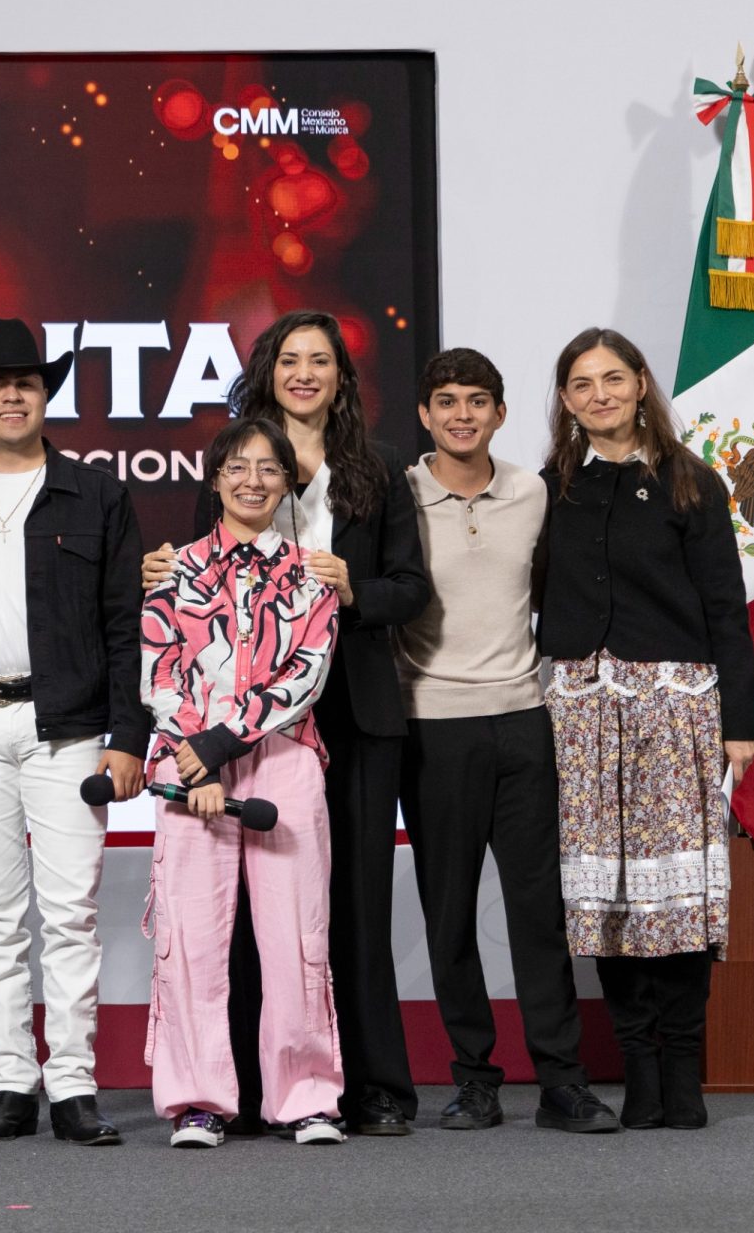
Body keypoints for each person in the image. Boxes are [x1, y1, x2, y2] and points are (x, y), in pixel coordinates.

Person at [145, 309, 428, 1135]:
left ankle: (367, 1088)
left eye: (321, 361)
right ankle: (225, 1091)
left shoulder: (378, 467)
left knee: (341, 908)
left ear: (342, 376)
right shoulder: (235, 462)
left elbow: (411, 589)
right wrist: (165, 573)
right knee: (225, 914)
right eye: (290, 359)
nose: (305, 373)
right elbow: (187, 605)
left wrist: (350, 590)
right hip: (231, 723)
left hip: (345, 706)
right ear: (267, 371)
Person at [0, 318, 149, 1146]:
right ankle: (11, 1081)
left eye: (28, 382)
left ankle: (73, 1085)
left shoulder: (97, 495)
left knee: (70, 912)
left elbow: (127, 625)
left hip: (71, 728)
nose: (13, 395)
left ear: (44, 397)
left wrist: (128, 735)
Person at [394, 348, 618, 1133]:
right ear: (424, 414)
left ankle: (562, 1083)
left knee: (539, 911)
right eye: (446, 401)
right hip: (431, 726)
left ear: (499, 413)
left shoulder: (533, 493)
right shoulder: (397, 496)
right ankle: (475, 1081)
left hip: (525, 720)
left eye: (476, 400)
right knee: (449, 914)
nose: (462, 414)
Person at [538, 327, 754, 1131]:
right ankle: (639, 1071)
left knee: (679, 899)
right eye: (581, 384)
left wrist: (741, 725)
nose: (599, 395)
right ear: (566, 400)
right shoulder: (550, 488)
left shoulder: (690, 481)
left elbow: (727, 609)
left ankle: (682, 1074)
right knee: (610, 900)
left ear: (639, 384)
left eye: (612, 379)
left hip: (675, 710)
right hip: (583, 716)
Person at [141, 417, 346, 1149]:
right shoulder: (173, 571)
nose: (252, 481)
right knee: (191, 937)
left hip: (283, 756)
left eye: (268, 468)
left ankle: (307, 1098)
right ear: (215, 478)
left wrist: (224, 744)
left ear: (288, 482)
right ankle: (199, 1102)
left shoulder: (313, 573)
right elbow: (161, 671)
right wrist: (194, 755)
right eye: (237, 467)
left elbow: (308, 673)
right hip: (188, 762)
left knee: (297, 936)